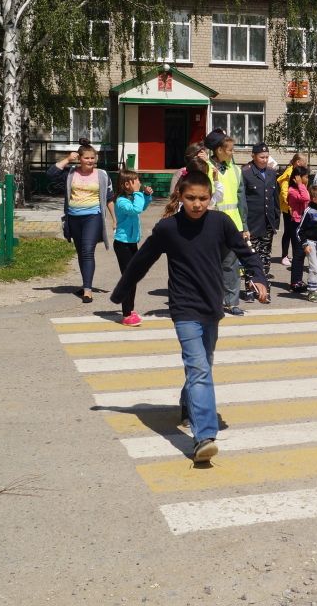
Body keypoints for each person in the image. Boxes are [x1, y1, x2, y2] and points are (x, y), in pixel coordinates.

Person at [110, 170, 269, 463]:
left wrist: (258, 277)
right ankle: (204, 437)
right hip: (183, 308)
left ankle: (188, 403)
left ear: (210, 198)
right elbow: (141, 261)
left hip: (212, 306)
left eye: (203, 198)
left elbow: (245, 253)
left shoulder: (220, 222)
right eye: (191, 198)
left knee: (203, 364)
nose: (197, 204)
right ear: (180, 197)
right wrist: (121, 292)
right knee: (199, 369)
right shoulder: (168, 228)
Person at [47, 145, 116, 303]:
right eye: (86, 158)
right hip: (74, 218)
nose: (90, 161)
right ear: (80, 159)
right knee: (81, 252)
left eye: (93, 158)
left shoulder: (102, 175)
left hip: (93, 217)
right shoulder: (71, 173)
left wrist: (114, 219)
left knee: (87, 251)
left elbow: (109, 198)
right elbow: (51, 174)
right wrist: (67, 159)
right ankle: (86, 283)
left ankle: (87, 290)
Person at [207, 132, 249, 316]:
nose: (233, 153)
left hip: (233, 225)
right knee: (210, 265)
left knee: (231, 265)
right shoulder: (206, 167)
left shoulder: (236, 170)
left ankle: (232, 302)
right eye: (230, 150)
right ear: (219, 150)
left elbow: (241, 201)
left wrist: (244, 227)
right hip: (211, 225)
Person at [112, 171, 154, 326]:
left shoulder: (131, 198)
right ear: (127, 185)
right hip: (122, 244)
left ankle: (130, 310)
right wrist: (138, 193)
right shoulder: (121, 201)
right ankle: (126, 314)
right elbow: (135, 209)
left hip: (131, 243)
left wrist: (146, 196)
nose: (139, 183)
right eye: (136, 181)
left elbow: (141, 207)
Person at [241, 142, 280, 289]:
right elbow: (242, 200)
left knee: (265, 256)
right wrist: (243, 224)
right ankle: (250, 288)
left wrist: (276, 221)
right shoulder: (245, 172)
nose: (264, 160)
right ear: (253, 156)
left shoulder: (271, 173)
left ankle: (263, 286)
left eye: (266, 157)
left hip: (267, 222)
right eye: (261, 157)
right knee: (251, 256)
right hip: (252, 223)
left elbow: (275, 199)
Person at [285, 165, 312, 293]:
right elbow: (306, 198)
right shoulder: (292, 190)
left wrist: (302, 185)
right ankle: (295, 282)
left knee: (302, 253)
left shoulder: (302, 189)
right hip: (296, 224)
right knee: (298, 253)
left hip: (303, 224)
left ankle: (299, 280)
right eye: (305, 177)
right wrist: (301, 184)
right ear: (297, 178)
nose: (307, 179)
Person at [276, 153, 305, 266]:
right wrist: (290, 206)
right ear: (298, 162)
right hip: (289, 208)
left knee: (294, 231)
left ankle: (292, 255)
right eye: (304, 162)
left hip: (295, 207)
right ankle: (284, 256)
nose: (306, 164)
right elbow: (284, 191)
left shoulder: (297, 172)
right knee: (288, 231)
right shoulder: (289, 173)